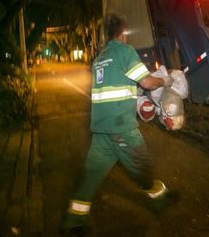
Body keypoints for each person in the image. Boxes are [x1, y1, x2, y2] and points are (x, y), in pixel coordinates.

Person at [61, 14, 174, 234]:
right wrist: (165, 80)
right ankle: (160, 199)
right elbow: (147, 82)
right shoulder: (125, 51)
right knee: (142, 167)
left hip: (101, 129)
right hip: (121, 128)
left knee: (91, 174)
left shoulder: (100, 58)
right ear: (123, 34)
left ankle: (73, 220)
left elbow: (116, 86)